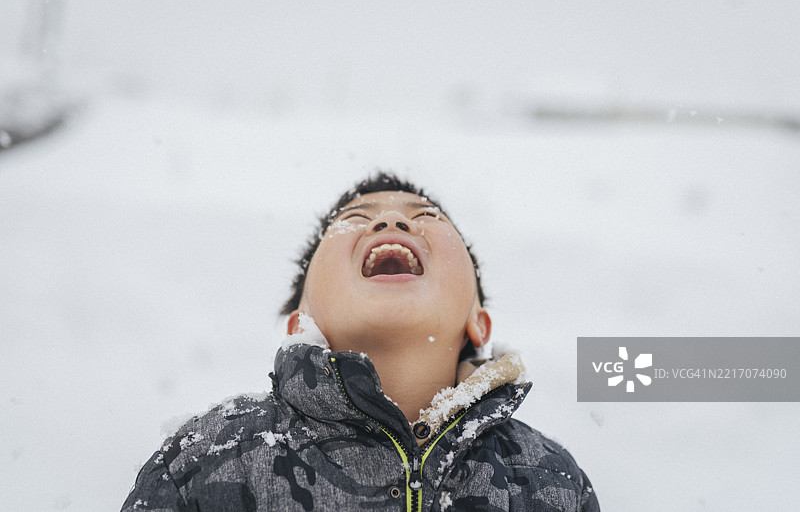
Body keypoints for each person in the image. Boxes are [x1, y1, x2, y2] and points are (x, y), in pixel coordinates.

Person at [122, 172, 600, 511]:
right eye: (355, 216)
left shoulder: (549, 482)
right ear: (301, 323)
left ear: (479, 324)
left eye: (426, 215)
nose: (391, 221)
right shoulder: (211, 460)